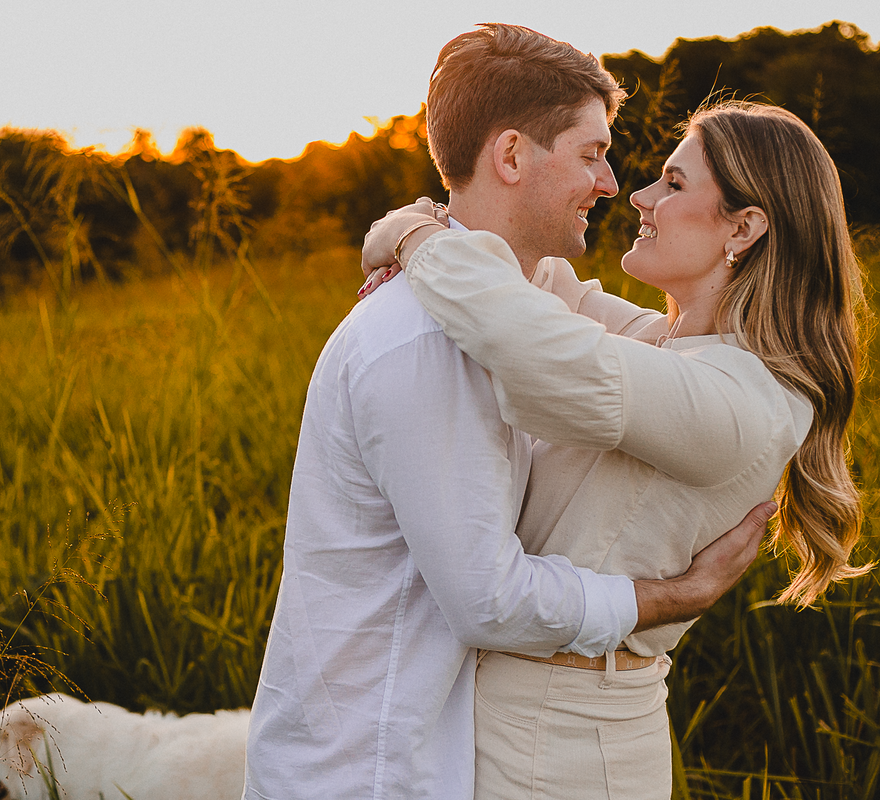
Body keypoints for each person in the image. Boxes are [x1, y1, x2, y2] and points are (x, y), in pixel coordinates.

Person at [242, 24, 777, 800]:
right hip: (370, 769)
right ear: (513, 155)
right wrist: (665, 599)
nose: (611, 182)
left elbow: (635, 336)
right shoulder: (431, 341)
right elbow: (487, 600)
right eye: (593, 152)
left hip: (432, 752)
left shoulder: (509, 318)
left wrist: (413, 231)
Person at [361, 100, 870, 797]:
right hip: (522, 712)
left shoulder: (745, 398)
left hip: (565, 744)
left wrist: (415, 237)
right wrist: (408, 228)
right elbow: (537, 287)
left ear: (744, 228)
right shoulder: (669, 346)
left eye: (674, 183)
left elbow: (526, 338)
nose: (639, 196)